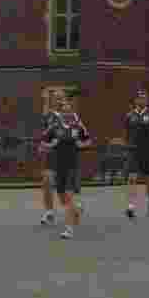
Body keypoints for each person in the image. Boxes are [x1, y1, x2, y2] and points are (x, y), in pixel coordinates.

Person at [41, 95, 92, 239]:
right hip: (58, 166)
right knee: (63, 198)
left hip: (72, 166)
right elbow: (43, 144)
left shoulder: (77, 126)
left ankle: (68, 229)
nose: (66, 114)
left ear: (72, 113)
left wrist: (80, 144)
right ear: (61, 114)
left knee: (69, 196)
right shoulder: (54, 127)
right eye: (64, 112)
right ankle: (76, 210)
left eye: (68, 111)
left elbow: (88, 141)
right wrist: (51, 144)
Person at [124, 89, 149, 219]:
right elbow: (127, 133)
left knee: (148, 179)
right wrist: (127, 145)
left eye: (144, 98)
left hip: (148, 150)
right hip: (133, 150)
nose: (142, 100)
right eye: (140, 98)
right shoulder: (129, 116)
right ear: (135, 100)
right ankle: (131, 205)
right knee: (132, 177)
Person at [38, 90, 65, 226]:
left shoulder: (69, 116)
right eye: (56, 98)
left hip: (66, 155)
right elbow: (43, 136)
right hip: (51, 155)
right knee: (47, 182)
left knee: (63, 189)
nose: (59, 101)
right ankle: (49, 212)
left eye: (61, 98)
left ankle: (75, 207)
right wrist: (42, 145)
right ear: (52, 101)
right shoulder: (47, 117)